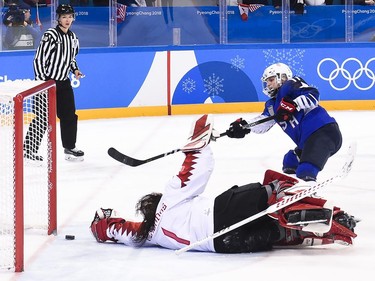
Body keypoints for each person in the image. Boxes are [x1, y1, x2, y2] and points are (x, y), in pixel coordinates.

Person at [90, 114, 357, 253]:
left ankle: (312, 231)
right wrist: (200, 143)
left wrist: (104, 226)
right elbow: (194, 172)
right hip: (221, 213)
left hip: (225, 244)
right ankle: (315, 212)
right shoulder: (168, 201)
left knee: (277, 232)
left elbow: (123, 231)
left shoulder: (152, 235)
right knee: (274, 190)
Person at [225, 63, 342, 182]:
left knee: (305, 170)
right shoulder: (272, 105)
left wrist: (294, 104)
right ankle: (291, 189)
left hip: (324, 133)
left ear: (283, 77)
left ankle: (307, 191)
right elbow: (264, 122)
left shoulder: (290, 85)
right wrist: (245, 126)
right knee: (290, 162)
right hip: (307, 142)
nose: (268, 84)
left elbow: (313, 95)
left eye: (271, 79)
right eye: (267, 81)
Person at [23, 4, 85, 162]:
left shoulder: (72, 37)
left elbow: (71, 59)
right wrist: (42, 82)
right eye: (64, 17)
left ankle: (69, 148)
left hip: (64, 83)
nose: (67, 20)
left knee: (69, 116)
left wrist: (76, 70)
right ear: (58, 18)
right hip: (47, 83)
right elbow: (39, 59)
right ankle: (29, 150)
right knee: (43, 118)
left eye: (70, 16)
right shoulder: (50, 34)